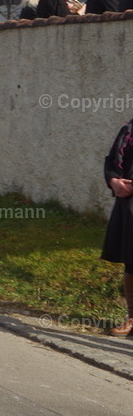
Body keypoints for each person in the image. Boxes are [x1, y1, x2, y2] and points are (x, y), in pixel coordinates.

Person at [101, 117, 133, 336]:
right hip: (128, 204)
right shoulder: (128, 130)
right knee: (132, 261)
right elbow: (111, 161)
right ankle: (132, 318)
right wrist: (114, 181)